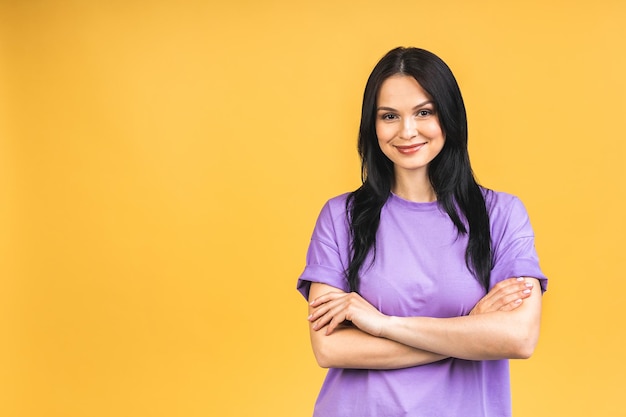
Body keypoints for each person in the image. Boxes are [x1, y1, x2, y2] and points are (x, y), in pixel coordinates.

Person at [296, 47, 548, 417]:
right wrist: (470, 332)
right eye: (389, 116)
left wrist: (384, 325)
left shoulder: (501, 215)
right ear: (373, 124)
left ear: (449, 115)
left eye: (424, 112)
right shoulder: (340, 217)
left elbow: (519, 338)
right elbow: (330, 349)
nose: (407, 131)